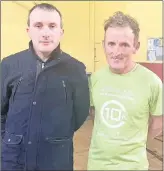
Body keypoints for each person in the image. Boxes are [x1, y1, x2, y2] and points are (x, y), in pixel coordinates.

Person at [1, 3, 90, 171]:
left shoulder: (76, 69)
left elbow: (80, 114)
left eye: (52, 26)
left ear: (61, 32)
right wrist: (7, 139)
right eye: (38, 25)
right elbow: (1, 110)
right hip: (13, 158)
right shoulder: (9, 65)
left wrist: (56, 135)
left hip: (55, 159)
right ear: (28, 31)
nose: (46, 33)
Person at [87, 11, 163, 170]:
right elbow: (95, 115)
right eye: (111, 44)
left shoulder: (152, 82)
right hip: (97, 165)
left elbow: (157, 124)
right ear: (103, 45)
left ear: (136, 46)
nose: (117, 52)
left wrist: (133, 145)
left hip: (134, 166)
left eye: (124, 45)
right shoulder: (95, 79)